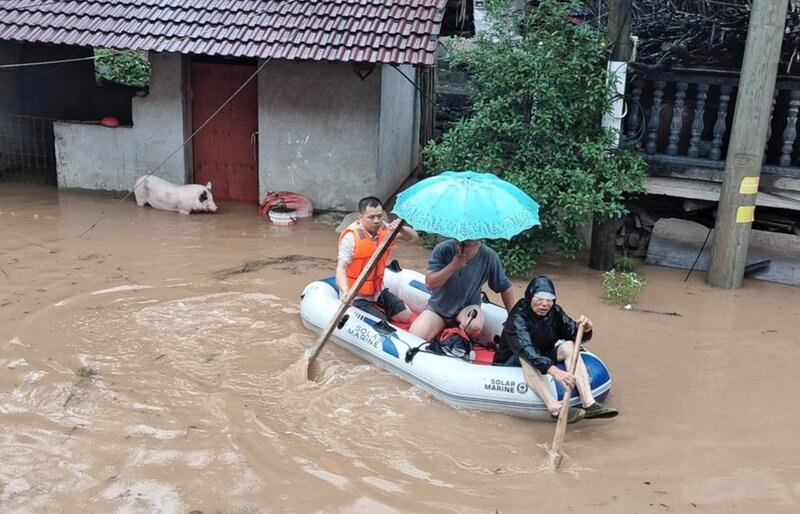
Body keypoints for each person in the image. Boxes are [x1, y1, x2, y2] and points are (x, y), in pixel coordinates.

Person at [494, 275, 619, 424]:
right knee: (526, 358)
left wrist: (585, 329)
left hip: (543, 356)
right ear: (530, 297)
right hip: (511, 363)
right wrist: (556, 372)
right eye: (539, 298)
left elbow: (574, 334)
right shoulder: (518, 317)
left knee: (569, 346)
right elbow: (527, 350)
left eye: (549, 300)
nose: (545, 304)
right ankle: (555, 408)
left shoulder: (555, 312)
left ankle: (589, 402)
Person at [408, 239, 515, 341]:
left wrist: (513, 316)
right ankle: (446, 332)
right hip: (439, 308)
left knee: (475, 326)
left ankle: (456, 333)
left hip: (467, 308)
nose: (463, 240)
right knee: (414, 337)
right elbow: (430, 284)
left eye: (469, 238)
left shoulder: (489, 256)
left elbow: (505, 288)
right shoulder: (443, 248)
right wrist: (452, 266)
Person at [336, 196, 418, 322]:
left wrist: (401, 228)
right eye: (371, 217)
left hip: (377, 291)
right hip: (357, 295)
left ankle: (378, 307)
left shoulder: (386, 229)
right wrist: (346, 292)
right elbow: (341, 268)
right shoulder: (351, 238)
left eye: (379, 216)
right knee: (381, 322)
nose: (376, 221)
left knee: (406, 316)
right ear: (360, 217)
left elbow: (412, 238)